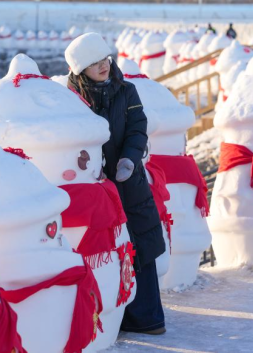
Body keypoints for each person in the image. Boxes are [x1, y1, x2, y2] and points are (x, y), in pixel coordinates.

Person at [64, 32, 167, 335]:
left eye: (104, 59)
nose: (102, 66)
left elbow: (138, 128)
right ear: (81, 68)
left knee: (139, 244)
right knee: (104, 249)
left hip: (128, 182)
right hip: (94, 189)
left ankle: (147, 317)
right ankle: (109, 316)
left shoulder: (127, 90)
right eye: (94, 62)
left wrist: (130, 159)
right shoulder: (71, 97)